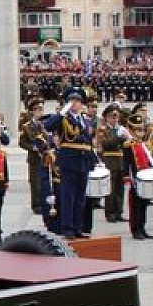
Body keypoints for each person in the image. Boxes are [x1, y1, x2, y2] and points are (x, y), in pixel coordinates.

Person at [43, 88, 95, 240]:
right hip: (69, 160)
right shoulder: (63, 119)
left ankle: (78, 227)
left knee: (80, 197)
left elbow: (88, 142)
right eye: (72, 101)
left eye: (78, 101)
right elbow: (48, 126)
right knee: (68, 196)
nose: (75, 104)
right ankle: (68, 228)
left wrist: (93, 162)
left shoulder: (84, 119)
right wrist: (62, 112)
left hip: (83, 161)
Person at [123, 113, 153, 240]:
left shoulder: (143, 145)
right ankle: (135, 229)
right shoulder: (129, 145)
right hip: (135, 178)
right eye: (137, 130)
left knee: (143, 204)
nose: (140, 133)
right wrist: (128, 179)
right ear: (131, 131)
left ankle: (142, 228)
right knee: (135, 205)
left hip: (145, 177)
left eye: (142, 130)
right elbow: (126, 163)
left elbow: (149, 160)